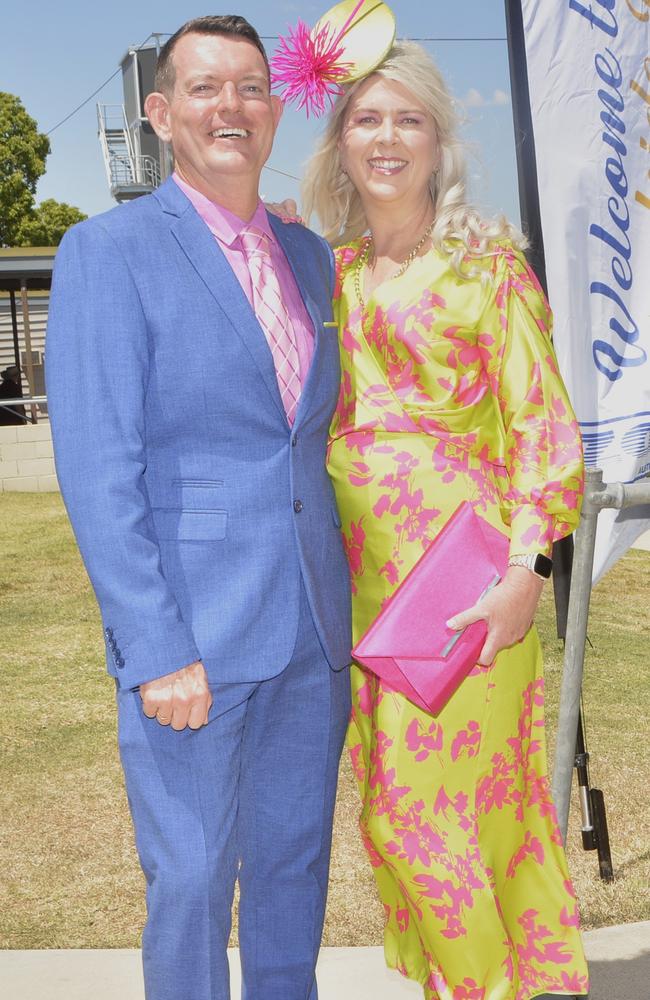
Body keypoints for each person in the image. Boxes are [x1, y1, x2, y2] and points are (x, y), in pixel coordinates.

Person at [45, 16, 351, 1000]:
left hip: (311, 630)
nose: (233, 107)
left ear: (274, 110)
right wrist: (154, 644)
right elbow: (99, 465)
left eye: (252, 88)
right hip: (193, 643)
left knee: (292, 871)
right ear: (161, 113)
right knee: (186, 881)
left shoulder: (310, 261)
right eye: (207, 89)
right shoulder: (109, 251)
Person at [300, 39, 589, 1000]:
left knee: (423, 822)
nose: (386, 137)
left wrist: (522, 577)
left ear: (439, 140)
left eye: (407, 118)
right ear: (341, 140)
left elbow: (543, 434)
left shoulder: (488, 271)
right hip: (365, 592)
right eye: (366, 118)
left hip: (467, 593)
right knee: (432, 817)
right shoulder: (323, 275)